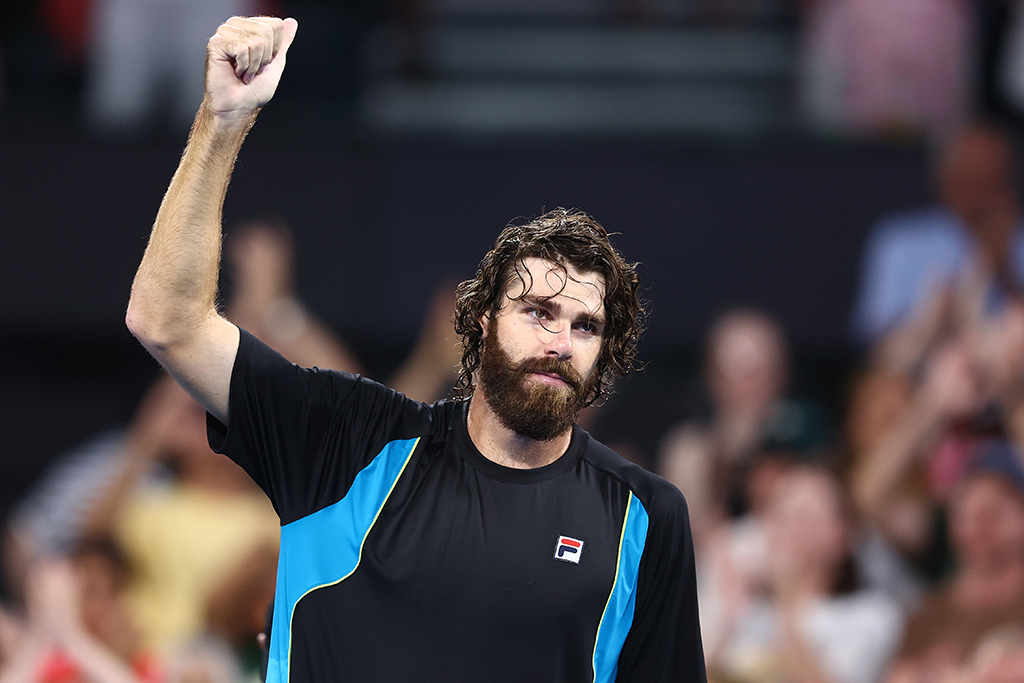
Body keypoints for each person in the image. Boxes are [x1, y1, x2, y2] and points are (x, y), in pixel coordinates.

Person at [124, 15, 705, 683]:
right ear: (482, 320)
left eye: (585, 326)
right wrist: (222, 123)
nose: (559, 342)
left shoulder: (645, 515)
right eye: (538, 312)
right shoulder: (346, 437)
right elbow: (166, 319)